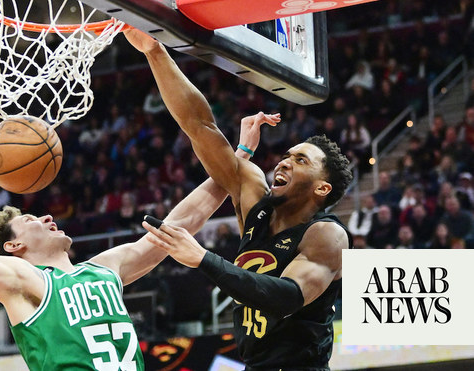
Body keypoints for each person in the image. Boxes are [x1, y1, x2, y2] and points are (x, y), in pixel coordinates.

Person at [0, 86, 258, 370]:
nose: (47, 217)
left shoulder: (104, 270)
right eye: (31, 221)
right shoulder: (24, 281)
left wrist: (236, 160)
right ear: (13, 247)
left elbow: (180, 225)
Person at [126, 29, 353, 370]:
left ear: (322, 189)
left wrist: (204, 259)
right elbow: (200, 126)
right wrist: (155, 51)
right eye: (288, 155)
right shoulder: (255, 202)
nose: (285, 161)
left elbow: (285, 298)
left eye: (301, 160)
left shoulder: (327, 235)